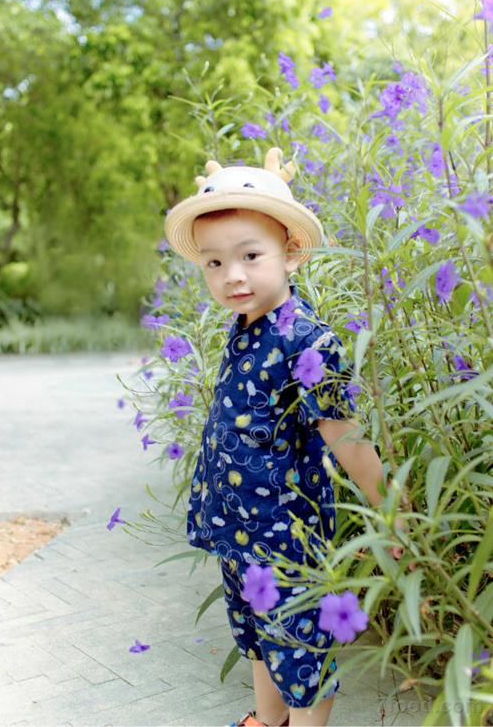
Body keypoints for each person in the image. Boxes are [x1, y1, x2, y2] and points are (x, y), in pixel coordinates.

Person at [164, 147, 385, 727]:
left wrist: (395, 507)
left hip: (286, 534)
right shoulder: (245, 326)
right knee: (259, 634)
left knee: (299, 645)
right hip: (241, 525)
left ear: (290, 254)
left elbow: (344, 436)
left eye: (250, 256)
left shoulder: (307, 340)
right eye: (213, 263)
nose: (231, 275)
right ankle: (268, 718)